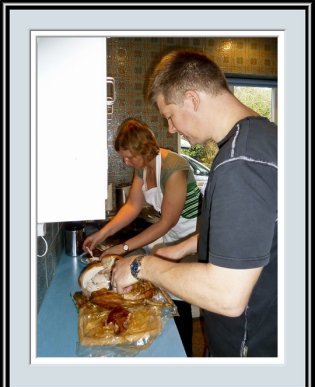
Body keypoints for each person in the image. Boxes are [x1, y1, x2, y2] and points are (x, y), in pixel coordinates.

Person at [111, 50, 278, 357]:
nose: (171, 129)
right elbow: (251, 233)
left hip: (249, 347)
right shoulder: (265, 138)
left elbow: (227, 294)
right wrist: (182, 248)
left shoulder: (239, 162)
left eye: (170, 115)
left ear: (192, 99)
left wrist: (141, 265)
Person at [82, 117, 202, 356]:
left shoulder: (173, 168)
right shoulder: (142, 168)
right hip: (173, 233)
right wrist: (103, 233)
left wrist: (123, 248)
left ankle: (184, 352)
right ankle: (165, 341)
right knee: (160, 285)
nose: (126, 162)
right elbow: (132, 206)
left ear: (145, 150)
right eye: (123, 157)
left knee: (178, 291)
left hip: (194, 238)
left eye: (129, 157)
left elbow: (167, 221)